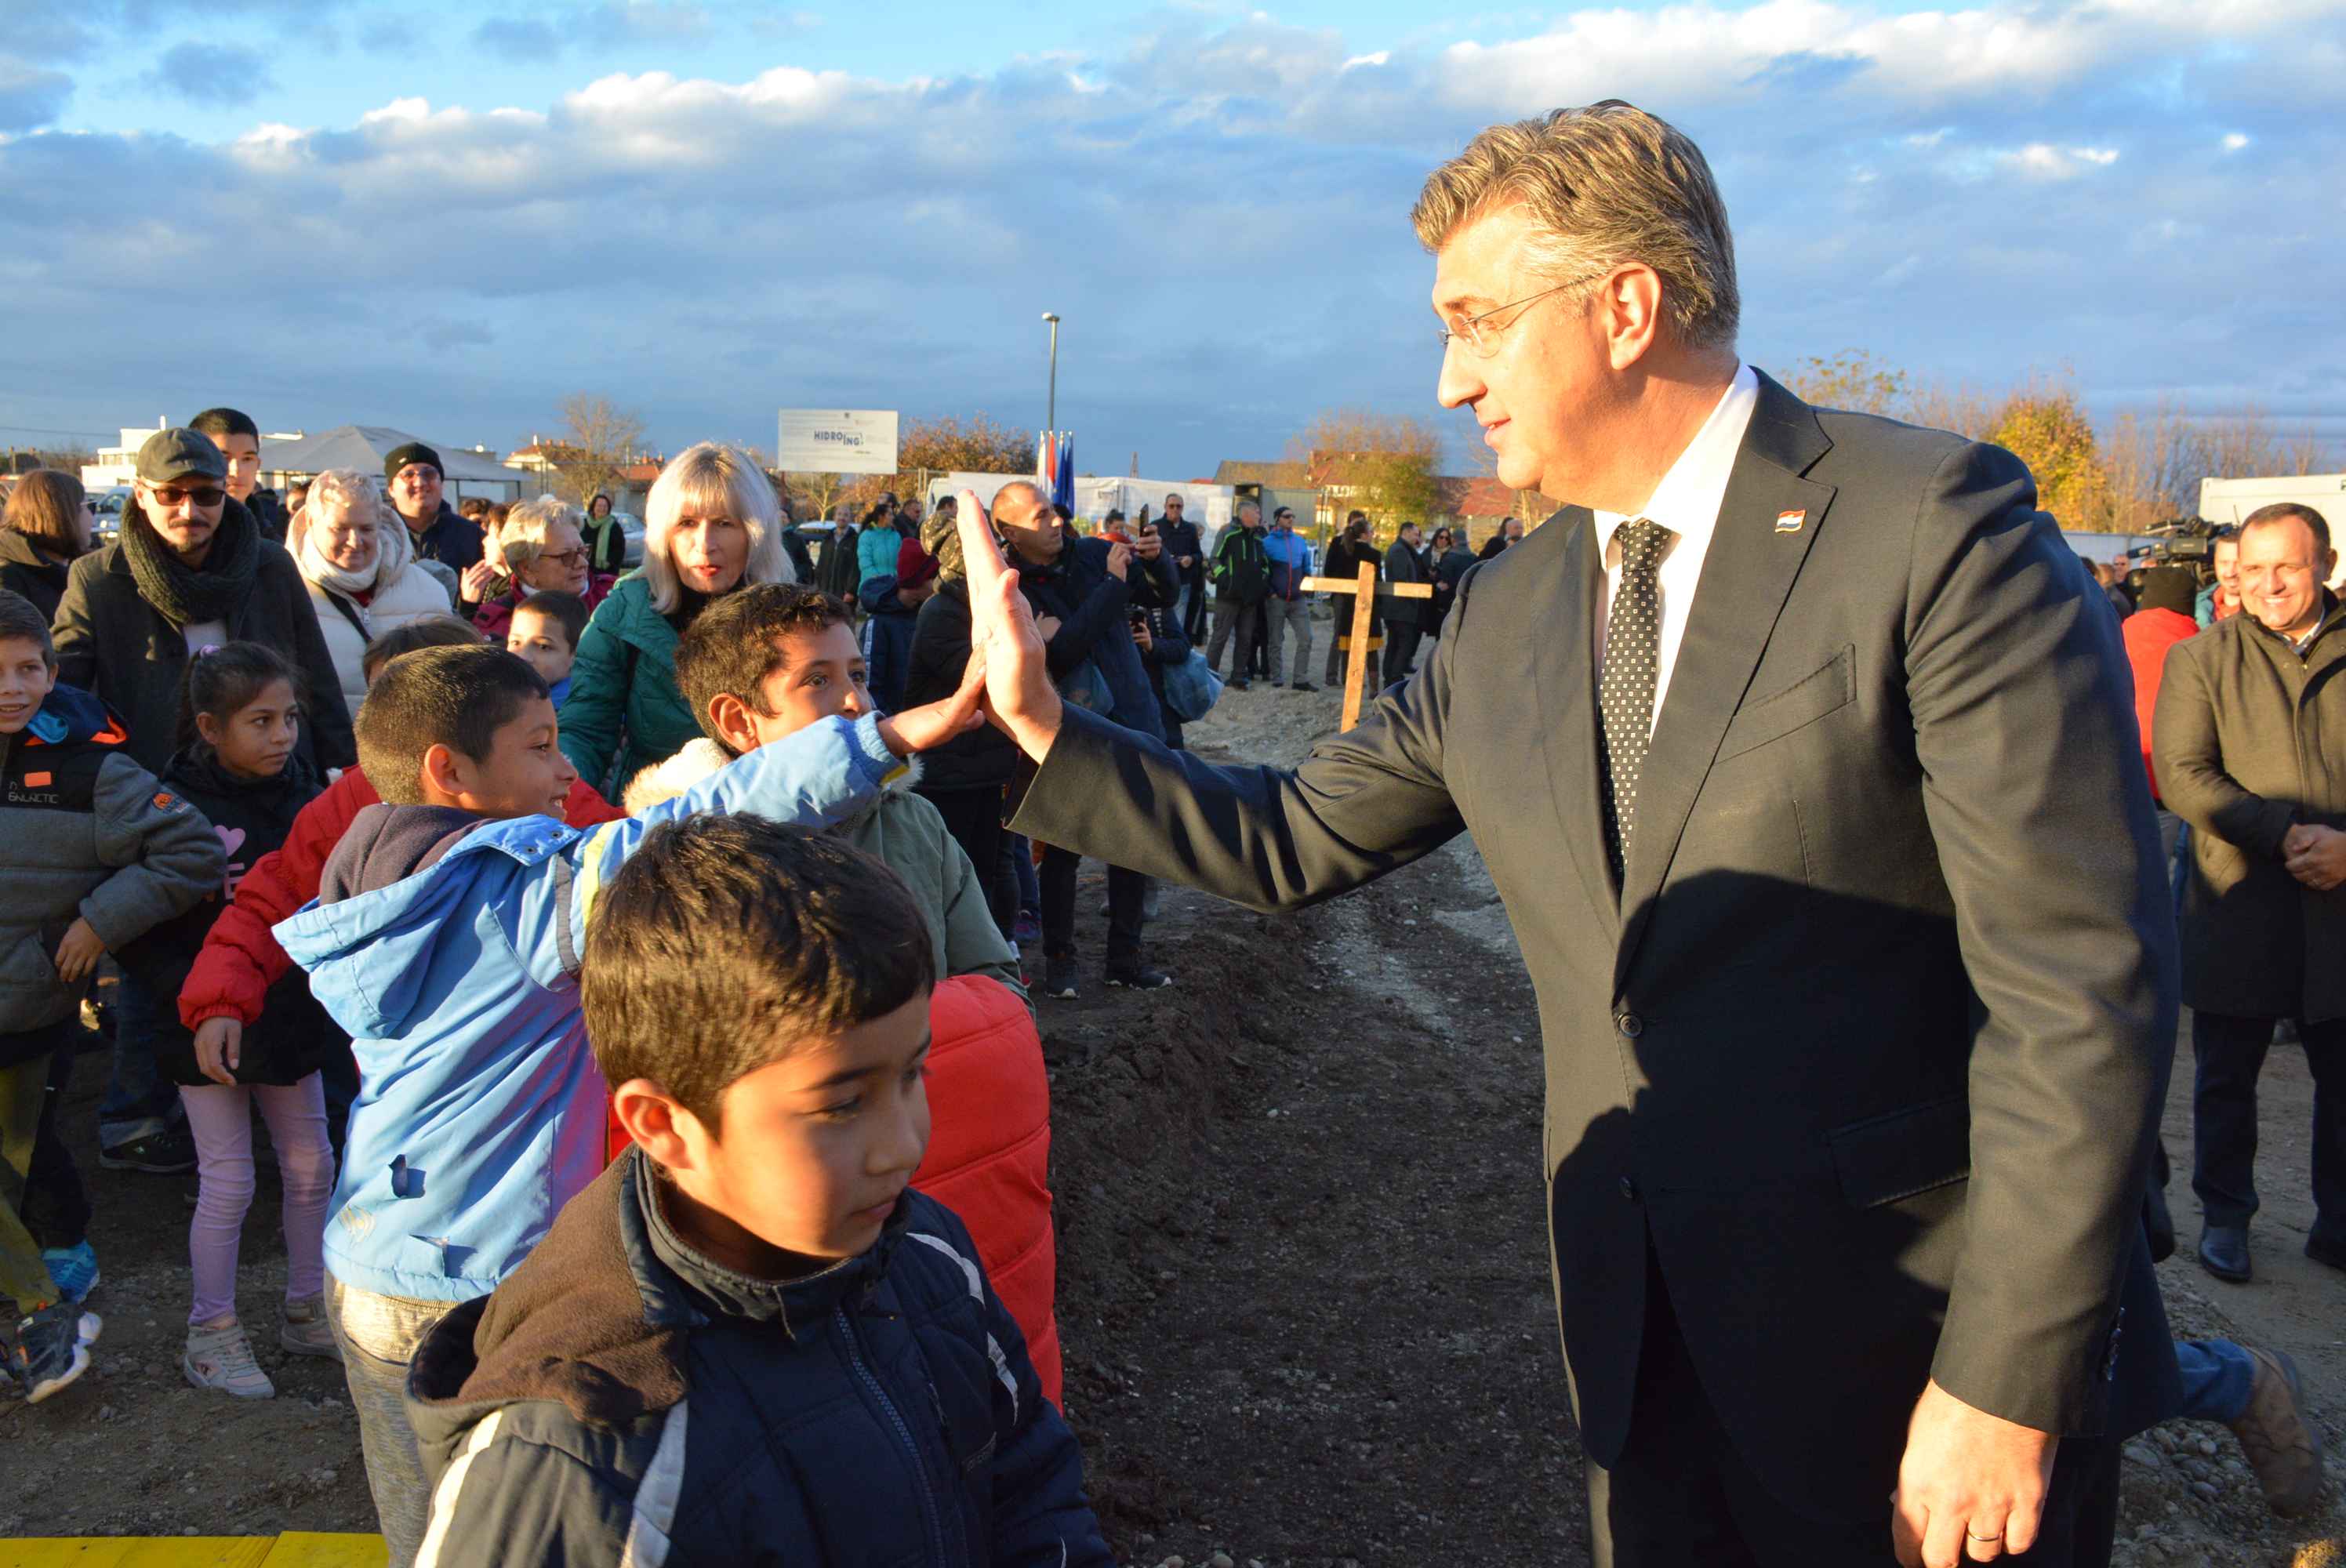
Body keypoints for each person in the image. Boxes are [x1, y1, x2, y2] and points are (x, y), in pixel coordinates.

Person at [961, 98, 2180, 1568]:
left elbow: (2076, 991)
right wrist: (1044, 726)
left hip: (1911, 1366)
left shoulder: (1931, 532)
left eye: (1475, 322)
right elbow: (1291, 834)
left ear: (1621, 308)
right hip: (1637, 1345)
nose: (1448, 378)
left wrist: (2005, 1378)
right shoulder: (1511, 606)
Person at [271, 641, 984, 1566]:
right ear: (449, 771)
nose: (566, 766)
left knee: (426, 1517)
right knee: (520, 1501)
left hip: (367, 1257)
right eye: (537, 745)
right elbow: (690, 827)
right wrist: (882, 736)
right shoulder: (518, 902)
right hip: (484, 1270)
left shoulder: (377, 892)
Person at [402, 816, 1109, 1568]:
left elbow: (1030, 1479)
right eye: (840, 1105)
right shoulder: (575, 1465)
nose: (905, 1145)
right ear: (664, 1125)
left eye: (913, 1074)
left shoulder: (922, 1247)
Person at [629, 582, 1060, 1391]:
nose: (858, 697)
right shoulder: (695, 869)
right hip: (775, 1231)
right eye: (818, 680)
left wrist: (918, 1067)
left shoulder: (914, 825)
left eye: (858, 670)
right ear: (735, 720)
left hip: (929, 1167)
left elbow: (993, 982)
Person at [178, 617, 612, 1164]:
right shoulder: (357, 799)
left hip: (540, 1064)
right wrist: (221, 998)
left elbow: (616, 853)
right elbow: (275, 893)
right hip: (418, 1085)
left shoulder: (545, 785)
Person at [0, 590, 220, 1403]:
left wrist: (97, 922)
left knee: (19, 1157)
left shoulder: (88, 768)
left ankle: (45, 1311)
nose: (12, 687)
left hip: (27, 1005)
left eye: (29, 668)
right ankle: (50, 1293)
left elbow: (192, 850)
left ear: (54, 671)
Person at [118, 643, 342, 1399]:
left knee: (311, 1165)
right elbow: (143, 924)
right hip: (199, 1019)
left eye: (290, 718)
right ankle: (210, 1332)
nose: (282, 736)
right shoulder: (165, 809)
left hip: (289, 1017)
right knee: (229, 1178)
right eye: (261, 721)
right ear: (210, 727)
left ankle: (308, 1310)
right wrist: (189, 997)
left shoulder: (308, 800)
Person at [2153, 502, 2346, 1285]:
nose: (2268, 585)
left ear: (2325, 565)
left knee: (2341, 1078)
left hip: (2339, 906)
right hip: (2235, 899)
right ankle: (2225, 1214)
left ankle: (2338, 1220)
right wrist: (2282, 834)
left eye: (2287, 567)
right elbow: (2182, 773)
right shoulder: (2202, 660)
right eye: (2254, 568)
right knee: (2226, 1075)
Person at [53, 427, 355, 779]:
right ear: (140, 493)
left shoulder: (270, 565)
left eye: (206, 495)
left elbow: (317, 679)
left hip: (275, 785)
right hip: (152, 788)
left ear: (225, 493)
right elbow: (64, 693)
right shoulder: (98, 578)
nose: (189, 509)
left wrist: (341, 777)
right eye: (170, 494)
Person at [991, 481, 1174, 998]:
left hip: (1132, 718)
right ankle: (1061, 962)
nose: (1054, 522)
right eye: (1039, 516)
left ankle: (1126, 959)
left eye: (1054, 512)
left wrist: (1154, 564)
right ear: (1009, 531)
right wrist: (1113, 588)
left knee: (1134, 844)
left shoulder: (1096, 554)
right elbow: (1065, 652)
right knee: (1065, 847)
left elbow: (1164, 597)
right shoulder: (1014, 588)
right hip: (1066, 730)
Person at [559, 441, 798, 797]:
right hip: (651, 823)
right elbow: (585, 728)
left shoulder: (796, 618)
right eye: (687, 523)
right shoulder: (623, 611)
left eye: (724, 523)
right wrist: (561, 795)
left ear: (756, 532)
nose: (704, 544)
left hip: (770, 817)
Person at [903, 510, 1022, 940]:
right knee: (953, 877)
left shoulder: (980, 606)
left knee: (988, 870)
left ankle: (995, 957)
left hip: (985, 769)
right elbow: (981, 677)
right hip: (948, 772)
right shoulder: (941, 611)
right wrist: (1034, 638)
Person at [290, 469, 457, 720]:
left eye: (366, 529)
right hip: (321, 751)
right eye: (340, 529)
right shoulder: (287, 590)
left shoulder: (429, 592)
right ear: (312, 522)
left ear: (380, 521)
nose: (354, 541)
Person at [470, 496, 612, 642]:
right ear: (527, 569)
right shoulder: (497, 624)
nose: (583, 563)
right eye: (566, 556)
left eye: (582, 550)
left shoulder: (617, 598)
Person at [381, 443, 485, 590]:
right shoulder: (378, 535)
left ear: (441, 483)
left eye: (429, 474)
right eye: (408, 475)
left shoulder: (471, 535)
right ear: (391, 489)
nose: (420, 483)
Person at [859, 535, 939, 714]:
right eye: (933, 577)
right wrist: (887, 725)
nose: (938, 583)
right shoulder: (878, 623)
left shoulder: (926, 614)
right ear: (917, 582)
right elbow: (869, 683)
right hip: (893, 726)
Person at [1, 469, 91, 622]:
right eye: (88, 507)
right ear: (61, 515)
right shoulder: (8, 580)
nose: (91, 517)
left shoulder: (85, 569)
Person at [189, 408, 285, 543]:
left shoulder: (274, 548)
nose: (236, 470)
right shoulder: (176, 534)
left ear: (257, 464)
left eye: (247, 459)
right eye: (223, 458)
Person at [1204, 500, 1270, 688]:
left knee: (1245, 638)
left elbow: (1265, 564)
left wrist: (1262, 581)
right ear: (1246, 514)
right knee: (1220, 637)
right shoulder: (1228, 533)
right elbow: (1215, 559)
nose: (1260, 515)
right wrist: (1226, 580)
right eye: (1257, 512)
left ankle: (1239, 676)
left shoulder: (1258, 538)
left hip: (1250, 600)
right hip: (1228, 597)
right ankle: (1209, 675)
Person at [1259, 505, 1318, 691]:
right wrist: (1271, 592)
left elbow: (1307, 568)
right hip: (1276, 599)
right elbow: (1261, 570)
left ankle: (1300, 679)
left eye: (1293, 516)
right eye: (1286, 516)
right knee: (1276, 639)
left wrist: (1307, 589)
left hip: (1297, 599)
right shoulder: (1266, 543)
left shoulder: (1300, 542)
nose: (1291, 519)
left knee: (1306, 638)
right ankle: (1277, 676)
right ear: (1277, 519)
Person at [1320, 512, 1381, 688]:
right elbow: (1330, 571)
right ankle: (1336, 676)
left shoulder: (1346, 547)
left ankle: (1346, 677)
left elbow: (1330, 570)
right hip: (1347, 596)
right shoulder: (1340, 544)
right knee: (1344, 636)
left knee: (1344, 635)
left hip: (1345, 597)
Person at [503, 590, 588, 707]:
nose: (524, 657)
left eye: (543, 647)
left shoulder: (570, 712)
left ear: (576, 655)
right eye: (516, 642)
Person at [1381, 520, 1430, 686]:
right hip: (1400, 608)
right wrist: (1413, 598)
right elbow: (1402, 580)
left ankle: (1391, 677)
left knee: (1395, 644)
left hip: (1399, 607)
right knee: (1402, 644)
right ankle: (1394, 678)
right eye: (1416, 534)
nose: (1417, 538)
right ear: (1406, 532)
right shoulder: (1399, 551)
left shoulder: (1403, 550)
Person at [1161, 492, 1208, 641]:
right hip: (1160, 583)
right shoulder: (1155, 526)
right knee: (1158, 624)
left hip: (1182, 582)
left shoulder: (1190, 529)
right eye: (1172, 506)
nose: (1175, 509)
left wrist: (1191, 559)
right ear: (1165, 507)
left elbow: (1198, 554)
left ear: (1183, 508)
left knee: (1177, 624)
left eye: (1178, 506)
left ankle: (1174, 657)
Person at [2198, 527, 2242, 627]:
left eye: (2238, 563)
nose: (2230, 573)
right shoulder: (2194, 607)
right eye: (2224, 563)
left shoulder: (2268, 612)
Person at [858, 493, 905, 588]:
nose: (893, 517)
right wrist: (879, 580)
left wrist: (894, 577)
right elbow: (865, 563)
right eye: (890, 514)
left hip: (893, 587)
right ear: (881, 517)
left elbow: (902, 560)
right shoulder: (866, 536)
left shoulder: (896, 536)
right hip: (871, 588)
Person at [579, 492, 626, 576]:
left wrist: (610, 564)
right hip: (586, 569)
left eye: (605, 506)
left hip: (607, 571)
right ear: (593, 507)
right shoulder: (584, 524)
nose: (602, 508)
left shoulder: (614, 526)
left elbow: (620, 549)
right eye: (599, 506)